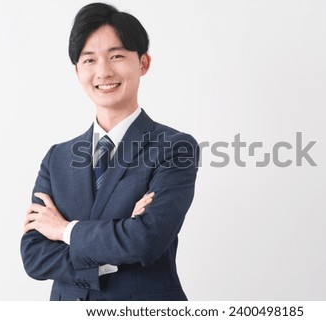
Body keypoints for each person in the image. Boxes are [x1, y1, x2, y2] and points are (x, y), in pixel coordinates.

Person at [21, 2, 199, 301]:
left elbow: (145, 241)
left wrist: (64, 231)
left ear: (143, 63)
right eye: (89, 60)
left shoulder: (174, 147)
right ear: (77, 71)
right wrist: (118, 240)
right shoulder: (57, 158)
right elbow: (35, 256)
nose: (103, 71)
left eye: (116, 56)